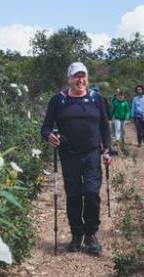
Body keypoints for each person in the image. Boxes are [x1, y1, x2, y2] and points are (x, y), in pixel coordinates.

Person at [41, 62, 112, 256]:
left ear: (87, 79)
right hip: (68, 155)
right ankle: (76, 234)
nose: (80, 80)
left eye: (83, 76)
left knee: (91, 193)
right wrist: (50, 136)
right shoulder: (58, 100)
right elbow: (45, 128)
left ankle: (91, 234)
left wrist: (108, 150)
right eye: (76, 76)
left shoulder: (97, 99)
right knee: (73, 195)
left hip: (91, 154)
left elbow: (105, 127)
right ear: (69, 79)